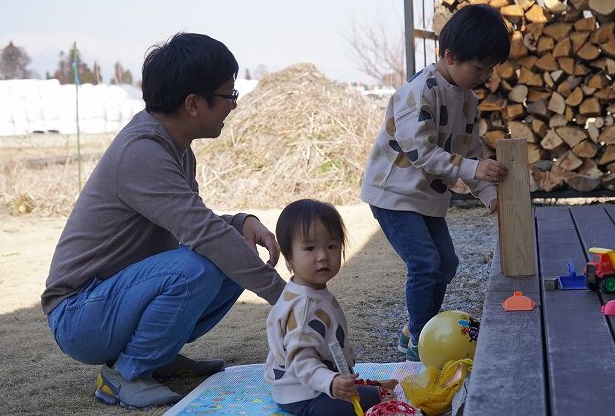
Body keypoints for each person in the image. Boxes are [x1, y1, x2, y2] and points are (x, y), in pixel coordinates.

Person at [41, 32, 287, 410]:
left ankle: (156, 357)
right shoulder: (143, 152)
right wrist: (289, 300)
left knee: (227, 250)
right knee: (202, 264)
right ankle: (125, 373)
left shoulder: (175, 147)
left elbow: (192, 225)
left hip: (109, 300)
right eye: (228, 96)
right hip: (79, 314)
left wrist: (239, 223)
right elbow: (201, 234)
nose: (233, 106)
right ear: (193, 103)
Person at [360, 4, 511, 362]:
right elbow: (423, 155)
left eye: (489, 69)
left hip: (426, 197)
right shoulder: (419, 93)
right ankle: (420, 337)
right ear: (450, 55)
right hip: (393, 194)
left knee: (446, 263)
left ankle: (414, 330)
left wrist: (489, 194)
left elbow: (471, 151)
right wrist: (476, 170)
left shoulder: (468, 99)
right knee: (425, 263)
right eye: (479, 68)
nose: (485, 76)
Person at [264, 199, 398, 415]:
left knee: (354, 390)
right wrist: (331, 383)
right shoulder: (304, 307)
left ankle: (365, 388)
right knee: (364, 401)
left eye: (332, 246)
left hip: (314, 382)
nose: (323, 256)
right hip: (305, 394)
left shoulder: (305, 291)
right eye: (310, 248)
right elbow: (302, 362)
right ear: (288, 257)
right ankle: (375, 392)